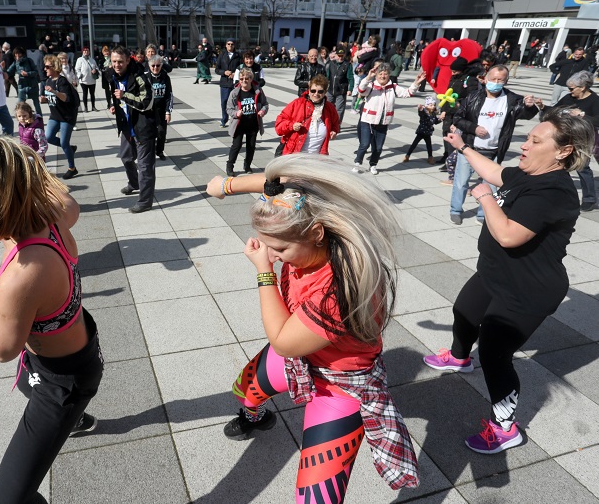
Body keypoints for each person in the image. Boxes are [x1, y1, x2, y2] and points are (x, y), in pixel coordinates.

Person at [204, 154, 419, 502]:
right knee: (244, 389)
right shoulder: (308, 218)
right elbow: (278, 187)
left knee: (316, 498)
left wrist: (263, 272)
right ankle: (253, 416)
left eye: (280, 248)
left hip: (338, 387)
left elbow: (284, 342)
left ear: (316, 233)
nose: (272, 255)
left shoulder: (339, 289)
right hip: (301, 358)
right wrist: (225, 186)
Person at [424, 111, 593, 453]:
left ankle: (505, 428)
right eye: (527, 138)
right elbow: (496, 172)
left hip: (528, 289)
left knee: (494, 353)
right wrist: (462, 146)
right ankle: (459, 358)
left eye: (535, 140)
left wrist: (484, 197)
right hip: (496, 272)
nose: (524, 145)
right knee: (465, 313)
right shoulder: (528, 173)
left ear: (563, 151)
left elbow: (508, 235)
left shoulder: (555, 192)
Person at [0, 136, 103, 504]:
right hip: (70, 349)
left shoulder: (22, 274)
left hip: (63, 381)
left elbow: (2, 349)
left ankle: (71, 417)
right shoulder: (53, 216)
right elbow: (68, 201)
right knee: (26, 384)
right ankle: (72, 421)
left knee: (8, 499)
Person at [449, 65, 540, 224]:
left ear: (506, 81)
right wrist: (474, 128)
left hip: (494, 151)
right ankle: (455, 210)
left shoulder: (512, 100)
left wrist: (529, 106)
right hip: (470, 149)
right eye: (493, 79)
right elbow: (457, 119)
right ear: (485, 79)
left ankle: (483, 214)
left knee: (491, 186)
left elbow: (525, 114)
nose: (496, 83)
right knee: (461, 182)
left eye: (501, 80)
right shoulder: (473, 97)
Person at [535, 70, 599, 211]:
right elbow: (555, 110)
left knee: (583, 168)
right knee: (557, 164)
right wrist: (542, 107)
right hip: (565, 136)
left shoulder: (594, 100)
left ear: (582, 87)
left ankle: (589, 198)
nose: (569, 91)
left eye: (571, 88)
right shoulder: (569, 98)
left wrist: (582, 115)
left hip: (584, 138)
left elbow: (597, 119)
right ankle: (553, 194)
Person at [105, 46, 156, 213]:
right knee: (126, 158)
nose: (117, 65)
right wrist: (114, 105)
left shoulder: (139, 76)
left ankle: (145, 201)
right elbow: (116, 96)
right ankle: (134, 183)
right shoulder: (112, 75)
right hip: (127, 126)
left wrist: (124, 96)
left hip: (143, 127)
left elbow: (146, 102)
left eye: (120, 61)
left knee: (144, 166)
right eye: (114, 61)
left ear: (128, 60)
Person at [353, 63, 426, 175]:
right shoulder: (371, 86)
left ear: (389, 75)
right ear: (376, 75)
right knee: (364, 144)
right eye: (380, 74)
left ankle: (373, 165)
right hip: (367, 120)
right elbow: (361, 89)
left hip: (383, 122)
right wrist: (368, 77)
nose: (383, 76)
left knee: (378, 148)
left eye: (385, 74)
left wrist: (416, 82)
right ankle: (357, 163)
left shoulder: (393, 87)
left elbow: (408, 93)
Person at [275, 74, 339, 157]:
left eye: (320, 91)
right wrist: (292, 126)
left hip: (317, 158)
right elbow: (278, 126)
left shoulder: (329, 108)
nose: (316, 94)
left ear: (325, 92)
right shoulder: (297, 103)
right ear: (309, 89)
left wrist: (334, 131)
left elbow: (335, 123)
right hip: (294, 156)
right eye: (313, 90)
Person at [41, 55, 79, 179]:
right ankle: (70, 148)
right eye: (44, 66)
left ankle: (72, 168)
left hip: (66, 117)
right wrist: (44, 99)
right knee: (48, 137)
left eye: (47, 67)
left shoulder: (61, 81)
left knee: (63, 142)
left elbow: (65, 97)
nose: (45, 69)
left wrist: (54, 92)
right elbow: (52, 99)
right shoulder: (48, 80)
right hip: (55, 116)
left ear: (55, 67)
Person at [225, 69, 268, 176]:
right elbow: (229, 109)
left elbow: (265, 104)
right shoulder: (235, 92)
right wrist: (236, 113)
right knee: (236, 145)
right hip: (239, 125)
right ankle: (230, 165)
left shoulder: (258, 91)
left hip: (253, 124)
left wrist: (262, 111)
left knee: (251, 146)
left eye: (246, 78)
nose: (244, 80)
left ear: (251, 79)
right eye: (241, 78)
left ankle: (247, 165)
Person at [145, 55, 173, 161]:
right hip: (149, 110)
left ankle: (160, 151)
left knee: (161, 132)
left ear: (161, 66)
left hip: (161, 110)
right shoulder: (146, 77)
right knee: (150, 133)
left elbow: (169, 95)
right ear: (149, 66)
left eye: (158, 65)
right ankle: (150, 152)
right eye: (153, 66)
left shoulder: (165, 77)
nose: (155, 68)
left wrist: (168, 111)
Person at [404, 97, 445, 163]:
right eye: (430, 105)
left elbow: (435, 122)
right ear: (426, 106)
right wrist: (420, 109)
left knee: (429, 146)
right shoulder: (424, 112)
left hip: (428, 132)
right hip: (421, 132)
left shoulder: (433, 114)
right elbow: (421, 113)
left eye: (434, 105)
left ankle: (430, 158)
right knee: (414, 144)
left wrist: (441, 119)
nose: (433, 106)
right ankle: (407, 155)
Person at [7, 46, 43, 117]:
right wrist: (2, 69)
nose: (17, 56)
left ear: (22, 54)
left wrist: (28, 74)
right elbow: (8, 72)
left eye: (19, 54)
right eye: (15, 54)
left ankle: (39, 118)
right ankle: (21, 119)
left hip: (32, 85)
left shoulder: (29, 60)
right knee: (20, 105)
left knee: (36, 104)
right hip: (22, 86)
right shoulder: (15, 63)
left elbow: (36, 72)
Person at [216, 39, 241, 128]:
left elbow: (241, 67)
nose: (230, 45)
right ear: (226, 45)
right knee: (224, 101)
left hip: (235, 83)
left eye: (232, 44)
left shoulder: (238, 56)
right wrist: (224, 72)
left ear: (234, 46)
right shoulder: (222, 55)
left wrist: (235, 73)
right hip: (224, 83)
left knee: (235, 102)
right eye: (228, 44)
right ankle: (224, 119)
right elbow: (217, 69)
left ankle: (235, 119)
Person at [324, 47, 353, 123]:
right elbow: (327, 76)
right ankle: (327, 122)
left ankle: (337, 125)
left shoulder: (347, 65)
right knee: (327, 107)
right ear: (336, 55)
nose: (340, 58)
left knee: (339, 109)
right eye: (339, 56)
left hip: (341, 90)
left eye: (342, 56)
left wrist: (350, 89)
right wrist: (324, 86)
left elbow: (350, 78)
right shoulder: (331, 63)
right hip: (330, 90)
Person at [74, 47, 99, 113]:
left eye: (87, 51)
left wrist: (95, 70)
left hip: (92, 80)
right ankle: (85, 107)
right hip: (84, 80)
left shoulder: (92, 60)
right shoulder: (80, 59)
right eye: (84, 51)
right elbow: (77, 69)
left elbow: (97, 67)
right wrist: (80, 75)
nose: (86, 52)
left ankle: (93, 106)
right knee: (85, 94)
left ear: (89, 52)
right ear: (82, 52)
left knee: (92, 94)